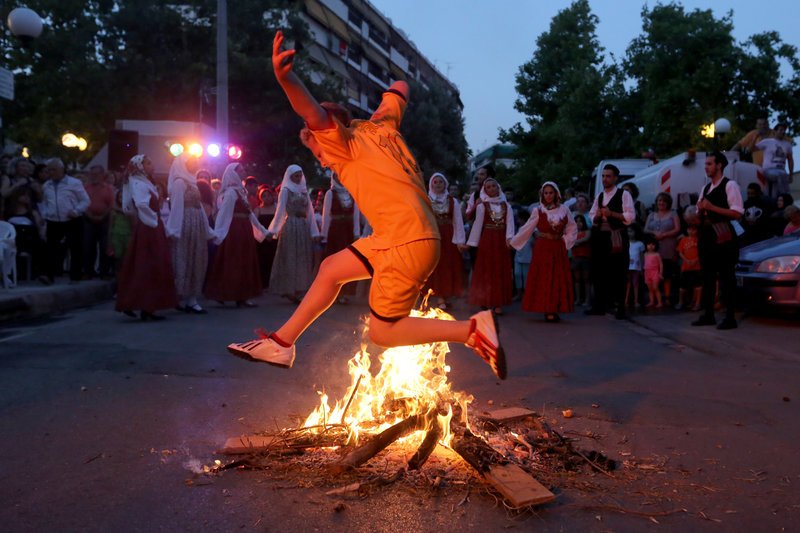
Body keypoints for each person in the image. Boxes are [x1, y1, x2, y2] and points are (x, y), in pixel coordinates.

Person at [227, 31, 506, 380]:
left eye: (318, 153)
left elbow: (311, 112)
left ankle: (471, 331)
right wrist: (391, 92)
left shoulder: (342, 144)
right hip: (398, 235)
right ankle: (283, 343)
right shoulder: (381, 127)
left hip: (407, 241)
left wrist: (287, 79)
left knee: (383, 332)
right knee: (331, 269)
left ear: (328, 134)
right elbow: (401, 86)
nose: (325, 163)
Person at [115, 155, 178, 320]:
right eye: (148, 163)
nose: (152, 165)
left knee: (146, 265)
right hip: (149, 229)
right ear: (140, 166)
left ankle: (145, 305)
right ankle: (144, 305)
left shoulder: (143, 182)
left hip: (149, 227)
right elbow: (140, 204)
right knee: (148, 265)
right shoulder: (139, 183)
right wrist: (152, 219)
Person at [511, 181, 576, 322]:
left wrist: (566, 241)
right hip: (543, 248)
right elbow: (527, 228)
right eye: (545, 193)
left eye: (550, 192)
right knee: (545, 277)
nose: (548, 195)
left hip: (557, 247)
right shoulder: (538, 211)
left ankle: (554, 308)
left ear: (556, 194)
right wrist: (514, 241)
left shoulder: (565, 210)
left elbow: (572, 227)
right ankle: (547, 309)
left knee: (557, 277)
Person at [205, 163, 269, 307]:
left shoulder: (241, 192)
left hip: (243, 230)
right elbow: (224, 213)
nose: (243, 172)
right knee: (234, 261)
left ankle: (242, 295)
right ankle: (228, 293)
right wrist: (219, 232)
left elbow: (250, 214)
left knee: (244, 261)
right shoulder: (231, 193)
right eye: (240, 170)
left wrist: (263, 231)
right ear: (233, 174)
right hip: (235, 232)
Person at [693, 151, 743, 330]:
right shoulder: (705, 188)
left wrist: (711, 207)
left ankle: (730, 317)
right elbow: (701, 214)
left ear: (719, 165)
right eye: (705, 164)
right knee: (707, 276)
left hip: (723, 234)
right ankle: (708, 314)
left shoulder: (730, 185)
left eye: (709, 164)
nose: (706, 167)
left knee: (726, 276)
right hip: (706, 234)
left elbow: (737, 213)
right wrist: (699, 211)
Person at [165, 153, 213, 314]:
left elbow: (199, 206)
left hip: (196, 225)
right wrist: (173, 229)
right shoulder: (180, 182)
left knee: (196, 259)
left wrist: (207, 230)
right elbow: (177, 207)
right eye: (191, 162)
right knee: (183, 259)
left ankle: (191, 298)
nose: (195, 164)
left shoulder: (192, 181)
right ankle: (181, 297)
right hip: (185, 226)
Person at [587, 164, 635, 319]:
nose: (604, 179)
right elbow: (591, 215)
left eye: (608, 176)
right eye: (603, 176)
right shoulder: (600, 196)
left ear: (615, 178)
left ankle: (620, 307)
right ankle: (599, 305)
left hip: (616, 237)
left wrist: (611, 213)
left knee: (619, 272)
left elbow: (630, 216)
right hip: (601, 237)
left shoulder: (623, 195)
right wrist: (597, 217)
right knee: (599, 271)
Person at [267, 164, 320, 303]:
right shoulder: (285, 190)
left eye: (299, 175)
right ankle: (289, 289)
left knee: (302, 257)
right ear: (290, 176)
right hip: (291, 225)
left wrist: (314, 232)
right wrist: (273, 231)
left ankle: (300, 289)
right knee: (290, 257)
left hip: (302, 227)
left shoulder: (303, 191)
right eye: (295, 176)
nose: (298, 178)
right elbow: (280, 210)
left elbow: (310, 212)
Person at [467, 178, 515, 315]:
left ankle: (498, 303)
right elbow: (477, 225)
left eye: (494, 186)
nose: (492, 189)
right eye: (488, 187)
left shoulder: (507, 206)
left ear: (498, 187)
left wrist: (509, 238)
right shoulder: (483, 206)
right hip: (487, 240)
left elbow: (510, 224)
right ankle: (486, 300)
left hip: (501, 240)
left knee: (500, 270)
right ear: (485, 190)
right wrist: (472, 243)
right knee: (487, 270)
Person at [39, 158, 90, 284]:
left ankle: (75, 276)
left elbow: (85, 200)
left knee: (75, 248)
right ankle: (48, 276)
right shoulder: (46, 185)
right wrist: (46, 214)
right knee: (50, 248)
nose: (51, 172)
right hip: (53, 220)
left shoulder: (74, 183)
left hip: (72, 219)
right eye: (49, 170)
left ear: (62, 169)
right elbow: (45, 203)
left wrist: (76, 211)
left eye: (54, 169)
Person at [424, 172, 465, 310]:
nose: (438, 184)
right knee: (435, 266)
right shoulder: (426, 200)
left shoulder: (453, 201)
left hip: (448, 236)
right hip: (434, 235)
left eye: (441, 182)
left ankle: (444, 295)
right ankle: (439, 296)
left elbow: (457, 221)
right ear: (431, 184)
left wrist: (460, 240)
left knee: (447, 265)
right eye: (435, 182)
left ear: (445, 184)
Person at [320, 172, 361, 304]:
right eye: (337, 175)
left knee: (348, 262)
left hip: (348, 232)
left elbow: (356, 215)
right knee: (336, 262)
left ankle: (344, 293)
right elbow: (326, 215)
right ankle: (332, 293)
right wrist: (324, 235)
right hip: (336, 232)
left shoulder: (351, 192)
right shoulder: (330, 194)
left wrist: (356, 233)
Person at [643, 192, 681, 304]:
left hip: (668, 248)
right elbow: (645, 229)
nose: (661, 203)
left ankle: (667, 297)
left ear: (668, 203)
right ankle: (654, 298)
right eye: (659, 200)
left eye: (664, 201)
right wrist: (654, 233)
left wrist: (664, 234)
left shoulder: (673, 214)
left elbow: (677, 229)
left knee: (667, 273)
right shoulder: (651, 215)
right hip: (653, 249)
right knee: (653, 272)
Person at [82, 165, 115, 279]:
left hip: (104, 220)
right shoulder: (85, 188)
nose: (94, 176)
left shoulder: (108, 188)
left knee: (104, 246)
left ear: (102, 175)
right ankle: (88, 271)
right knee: (88, 246)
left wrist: (102, 216)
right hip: (88, 220)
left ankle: (103, 272)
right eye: (92, 174)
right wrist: (89, 215)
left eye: (96, 174)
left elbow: (111, 205)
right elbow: (82, 203)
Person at [756, 123, 794, 198]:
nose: (783, 132)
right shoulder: (767, 142)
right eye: (780, 130)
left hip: (782, 170)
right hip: (769, 170)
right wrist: (755, 137)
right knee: (781, 175)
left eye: (784, 130)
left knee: (783, 176)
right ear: (775, 132)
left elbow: (790, 160)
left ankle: (781, 198)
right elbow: (753, 148)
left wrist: (791, 174)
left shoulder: (787, 145)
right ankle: (784, 196)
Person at [254, 184, 278, 288]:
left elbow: (279, 223)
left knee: (274, 260)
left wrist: (273, 234)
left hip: (274, 238)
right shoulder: (258, 210)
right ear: (260, 197)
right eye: (264, 196)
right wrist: (263, 235)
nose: (267, 197)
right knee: (262, 260)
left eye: (269, 195)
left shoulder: (277, 209)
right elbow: (255, 224)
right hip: (262, 239)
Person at [675, 225, 701, 311]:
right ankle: (680, 302)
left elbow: (702, 252)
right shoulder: (683, 240)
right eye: (689, 229)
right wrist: (686, 260)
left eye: (694, 229)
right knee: (682, 285)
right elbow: (680, 252)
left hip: (697, 266)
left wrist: (695, 260)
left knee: (698, 285)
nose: (691, 231)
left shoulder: (699, 240)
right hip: (686, 266)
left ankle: (697, 303)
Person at [571, 214, 591, 306]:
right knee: (577, 279)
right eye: (576, 221)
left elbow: (586, 238)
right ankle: (578, 299)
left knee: (586, 279)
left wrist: (575, 242)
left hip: (585, 257)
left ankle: (587, 299)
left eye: (580, 221)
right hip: (575, 258)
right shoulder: (572, 233)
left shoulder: (587, 231)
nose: (578, 223)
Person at [626, 227, 644, 309]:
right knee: (627, 283)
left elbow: (641, 256)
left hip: (636, 266)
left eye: (631, 231)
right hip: (627, 266)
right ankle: (625, 300)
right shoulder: (625, 243)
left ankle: (636, 301)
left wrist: (642, 267)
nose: (629, 233)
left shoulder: (640, 244)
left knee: (635, 283)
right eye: (628, 231)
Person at [643, 238, 663, 308]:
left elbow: (661, 264)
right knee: (650, 289)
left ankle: (660, 302)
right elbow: (644, 263)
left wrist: (660, 273)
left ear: (655, 246)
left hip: (655, 272)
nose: (650, 246)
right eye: (649, 244)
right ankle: (651, 301)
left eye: (653, 245)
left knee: (655, 288)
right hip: (647, 272)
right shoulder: (645, 254)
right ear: (646, 245)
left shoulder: (657, 254)